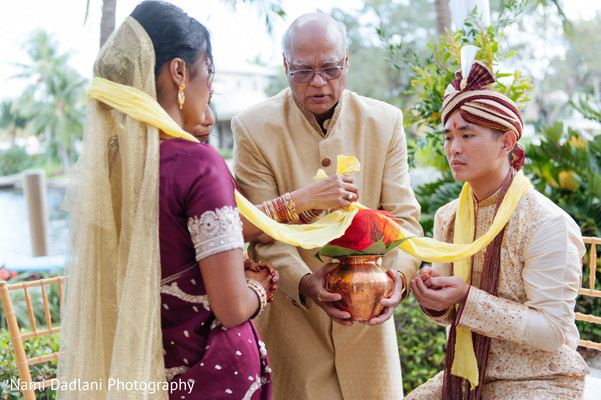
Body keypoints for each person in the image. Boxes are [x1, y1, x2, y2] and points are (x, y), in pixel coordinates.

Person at [233, 12, 423, 400]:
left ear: (347, 62)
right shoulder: (252, 127)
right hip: (293, 324)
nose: (318, 82)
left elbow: (405, 221)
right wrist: (304, 283)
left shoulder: (384, 122)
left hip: (369, 326)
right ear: (286, 66)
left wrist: (397, 283)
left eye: (331, 68)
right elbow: (262, 236)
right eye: (302, 71)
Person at [406, 60, 590, 399]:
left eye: (467, 135)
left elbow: (552, 332)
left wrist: (466, 297)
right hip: (466, 375)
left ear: (506, 142)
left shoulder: (545, 223)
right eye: (448, 136)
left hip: (542, 380)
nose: (453, 148)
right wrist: (436, 302)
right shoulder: (449, 217)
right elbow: (449, 316)